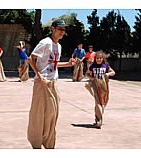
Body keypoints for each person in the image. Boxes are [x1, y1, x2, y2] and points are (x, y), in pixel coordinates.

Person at [27, 19, 75, 149]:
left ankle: (48, 143)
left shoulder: (58, 46)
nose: (62, 32)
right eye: (60, 29)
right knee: (39, 114)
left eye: (64, 30)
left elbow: (53, 64)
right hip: (42, 83)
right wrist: (39, 75)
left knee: (52, 114)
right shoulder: (45, 42)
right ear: (53, 28)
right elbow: (30, 58)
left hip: (53, 82)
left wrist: (68, 64)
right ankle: (36, 142)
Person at [85, 50, 115, 129]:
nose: (99, 60)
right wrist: (92, 78)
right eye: (97, 58)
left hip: (104, 87)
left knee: (103, 102)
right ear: (95, 59)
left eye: (100, 58)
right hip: (95, 86)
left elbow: (113, 72)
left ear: (103, 59)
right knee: (97, 102)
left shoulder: (105, 66)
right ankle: (99, 121)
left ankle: (97, 118)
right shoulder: (92, 66)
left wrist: (108, 74)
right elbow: (87, 74)